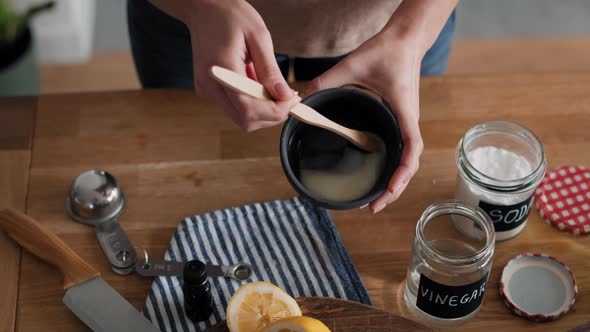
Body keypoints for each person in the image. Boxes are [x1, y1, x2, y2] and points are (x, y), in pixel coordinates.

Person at [127, 0, 458, 213]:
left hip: (395, 21)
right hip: (194, 22)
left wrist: (409, 36)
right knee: (180, 138)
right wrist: (201, 7)